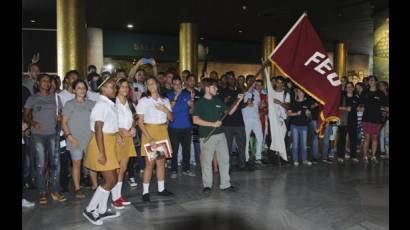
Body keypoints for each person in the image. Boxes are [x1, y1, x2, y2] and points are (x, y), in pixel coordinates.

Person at [193, 78, 244, 193]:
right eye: (214, 87)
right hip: (207, 135)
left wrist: (238, 101)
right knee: (207, 161)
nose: (216, 89)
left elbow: (229, 112)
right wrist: (212, 124)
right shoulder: (200, 103)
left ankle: (225, 184)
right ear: (207, 88)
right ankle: (207, 185)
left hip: (220, 134)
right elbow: (195, 120)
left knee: (225, 159)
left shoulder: (217, 100)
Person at [83, 75, 121, 225]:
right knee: (110, 180)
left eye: (114, 86)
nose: (115, 89)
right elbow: (98, 129)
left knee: (112, 179)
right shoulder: (101, 105)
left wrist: (116, 134)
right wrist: (102, 152)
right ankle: (90, 209)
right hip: (102, 143)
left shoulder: (108, 104)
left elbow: (109, 125)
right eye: (112, 86)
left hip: (109, 141)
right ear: (102, 88)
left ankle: (102, 209)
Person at [24, 74, 66, 204]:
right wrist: (33, 123)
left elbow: (61, 114)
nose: (47, 83)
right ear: (38, 83)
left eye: (49, 81)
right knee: (41, 163)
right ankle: (42, 191)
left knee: (55, 163)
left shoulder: (56, 98)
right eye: (44, 81)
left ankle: (55, 190)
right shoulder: (33, 98)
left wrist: (59, 118)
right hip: (38, 134)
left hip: (53, 133)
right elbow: (25, 116)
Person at [136, 76, 175, 202]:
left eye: (152, 83)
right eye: (148, 84)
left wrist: (165, 109)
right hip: (150, 132)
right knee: (149, 163)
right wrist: (149, 138)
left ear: (157, 84)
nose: (150, 86)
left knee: (161, 162)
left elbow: (171, 118)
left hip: (162, 131)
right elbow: (140, 123)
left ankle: (161, 189)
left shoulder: (165, 100)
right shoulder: (143, 101)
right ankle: (145, 192)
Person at [61, 79, 96, 199]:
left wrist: (95, 135)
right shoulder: (69, 104)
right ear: (74, 90)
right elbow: (64, 122)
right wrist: (69, 136)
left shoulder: (91, 103)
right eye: (79, 88)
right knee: (77, 164)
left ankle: (95, 186)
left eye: (84, 88)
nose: (82, 90)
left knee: (92, 164)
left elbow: (97, 122)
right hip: (74, 139)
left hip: (90, 139)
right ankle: (77, 188)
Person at [111, 78, 138, 209]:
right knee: (115, 169)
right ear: (117, 88)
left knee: (123, 168)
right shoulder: (112, 102)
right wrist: (118, 132)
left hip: (128, 137)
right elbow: (108, 121)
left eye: (127, 87)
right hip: (117, 138)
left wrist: (133, 127)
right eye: (122, 87)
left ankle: (118, 196)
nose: (125, 89)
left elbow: (135, 118)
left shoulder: (130, 102)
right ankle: (114, 197)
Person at [167, 76, 195, 178]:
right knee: (174, 150)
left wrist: (191, 103)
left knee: (186, 149)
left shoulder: (187, 94)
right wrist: (176, 96)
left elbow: (191, 111)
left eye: (179, 84)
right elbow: (169, 109)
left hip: (186, 126)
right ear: (172, 85)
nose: (177, 86)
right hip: (173, 127)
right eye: (175, 84)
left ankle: (186, 169)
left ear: (182, 85)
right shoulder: (168, 95)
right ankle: (174, 170)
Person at [220, 73, 249, 170]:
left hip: (239, 122)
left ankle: (242, 164)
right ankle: (227, 165)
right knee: (227, 146)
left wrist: (246, 104)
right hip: (227, 123)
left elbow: (241, 106)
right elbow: (221, 106)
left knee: (242, 145)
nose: (231, 80)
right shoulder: (222, 91)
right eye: (229, 79)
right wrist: (225, 101)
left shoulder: (239, 91)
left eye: (233, 78)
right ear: (226, 80)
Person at [360, 76, 388, 164]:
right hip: (366, 118)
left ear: (376, 82)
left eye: (372, 80)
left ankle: (373, 156)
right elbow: (360, 104)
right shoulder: (365, 92)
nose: (370, 82)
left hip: (377, 119)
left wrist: (386, 110)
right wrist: (360, 107)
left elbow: (384, 106)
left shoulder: (380, 93)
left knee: (375, 138)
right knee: (367, 138)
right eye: (369, 81)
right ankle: (365, 156)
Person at [242, 75, 263, 165]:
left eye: (254, 81)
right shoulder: (243, 92)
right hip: (246, 118)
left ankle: (258, 157)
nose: (252, 83)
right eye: (250, 81)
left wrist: (263, 105)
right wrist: (246, 103)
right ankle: (246, 158)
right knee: (246, 139)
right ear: (247, 82)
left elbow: (258, 106)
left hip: (256, 118)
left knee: (260, 137)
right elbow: (241, 105)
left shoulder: (257, 93)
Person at [287, 88, 312, 166]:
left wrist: (308, 114)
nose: (300, 93)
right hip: (294, 125)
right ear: (297, 93)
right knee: (295, 144)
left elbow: (310, 117)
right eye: (299, 92)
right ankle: (295, 160)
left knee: (304, 144)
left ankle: (304, 160)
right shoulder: (293, 103)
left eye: (302, 92)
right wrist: (296, 114)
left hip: (304, 125)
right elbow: (289, 114)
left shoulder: (307, 103)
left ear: (304, 93)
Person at [337, 82, 359, 163]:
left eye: (350, 87)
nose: (349, 88)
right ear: (345, 89)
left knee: (353, 140)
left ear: (353, 88)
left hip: (353, 121)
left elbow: (359, 106)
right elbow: (337, 107)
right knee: (342, 139)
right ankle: (340, 156)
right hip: (343, 121)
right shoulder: (342, 97)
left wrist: (359, 107)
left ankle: (353, 156)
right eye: (347, 87)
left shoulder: (356, 98)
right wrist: (345, 108)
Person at [185, 74, 202, 166]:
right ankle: (186, 160)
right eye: (190, 80)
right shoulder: (183, 93)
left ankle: (197, 160)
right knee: (187, 142)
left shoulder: (199, 93)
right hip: (185, 121)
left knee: (196, 142)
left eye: (193, 80)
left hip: (196, 122)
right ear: (187, 81)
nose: (192, 82)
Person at [306, 96, 320, 163]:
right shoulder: (310, 94)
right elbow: (307, 106)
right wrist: (313, 105)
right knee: (314, 137)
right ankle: (314, 156)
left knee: (314, 137)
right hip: (312, 118)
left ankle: (314, 155)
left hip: (318, 118)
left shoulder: (320, 93)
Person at [378, 81, 389, 158]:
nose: (381, 87)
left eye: (382, 86)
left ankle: (387, 151)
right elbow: (377, 106)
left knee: (387, 135)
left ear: (386, 86)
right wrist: (383, 109)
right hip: (381, 117)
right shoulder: (379, 95)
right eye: (380, 86)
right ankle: (382, 151)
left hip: (387, 117)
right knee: (381, 134)